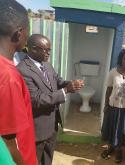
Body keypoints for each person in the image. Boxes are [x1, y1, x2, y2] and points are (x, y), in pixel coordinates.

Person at [17, 34, 84, 165]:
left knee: (48, 158)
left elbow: (58, 81)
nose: (49, 53)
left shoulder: (46, 65)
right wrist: (66, 91)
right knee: (36, 160)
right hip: (38, 129)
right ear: (34, 49)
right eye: (46, 50)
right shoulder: (22, 70)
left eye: (50, 50)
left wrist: (71, 84)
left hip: (52, 124)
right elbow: (36, 100)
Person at [0, 0, 38, 164]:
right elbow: (9, 143)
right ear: (18, 33)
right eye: (28, 32)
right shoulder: (9, 76)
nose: (28, 38)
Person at [101, 49, 125, 163]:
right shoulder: (113, 72)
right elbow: (108, 89)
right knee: (111, 128)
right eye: (124, 58)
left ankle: (119, 151)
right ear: (121, 59)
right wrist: (106, 105)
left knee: (122, 130)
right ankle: (110, 148)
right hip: (113, 106)